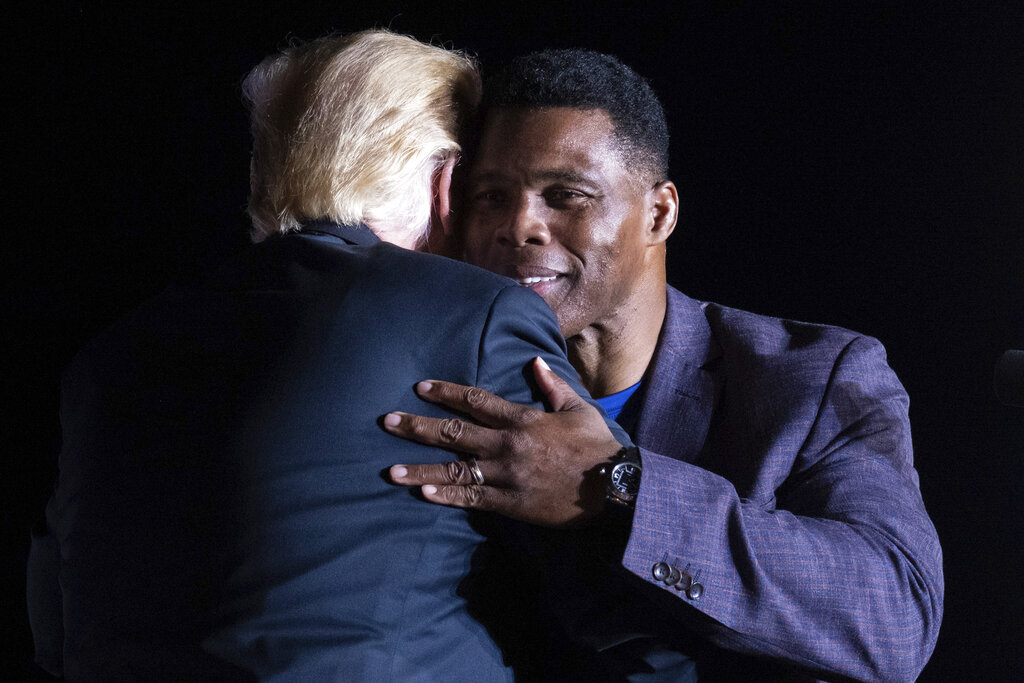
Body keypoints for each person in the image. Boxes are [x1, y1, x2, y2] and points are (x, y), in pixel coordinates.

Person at [26, 33, 628, 680]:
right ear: (446, 184)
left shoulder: (112, 353)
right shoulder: (479, 314)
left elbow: (53, 626)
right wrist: (618, 485)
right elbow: (616, 599)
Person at [386, 49, 944, 681]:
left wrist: (616, 486)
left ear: (659, 214)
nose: (519, 227)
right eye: (491, 196)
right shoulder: (436, 379)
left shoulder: (814, 378)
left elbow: (894, 619)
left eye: (566, 196)